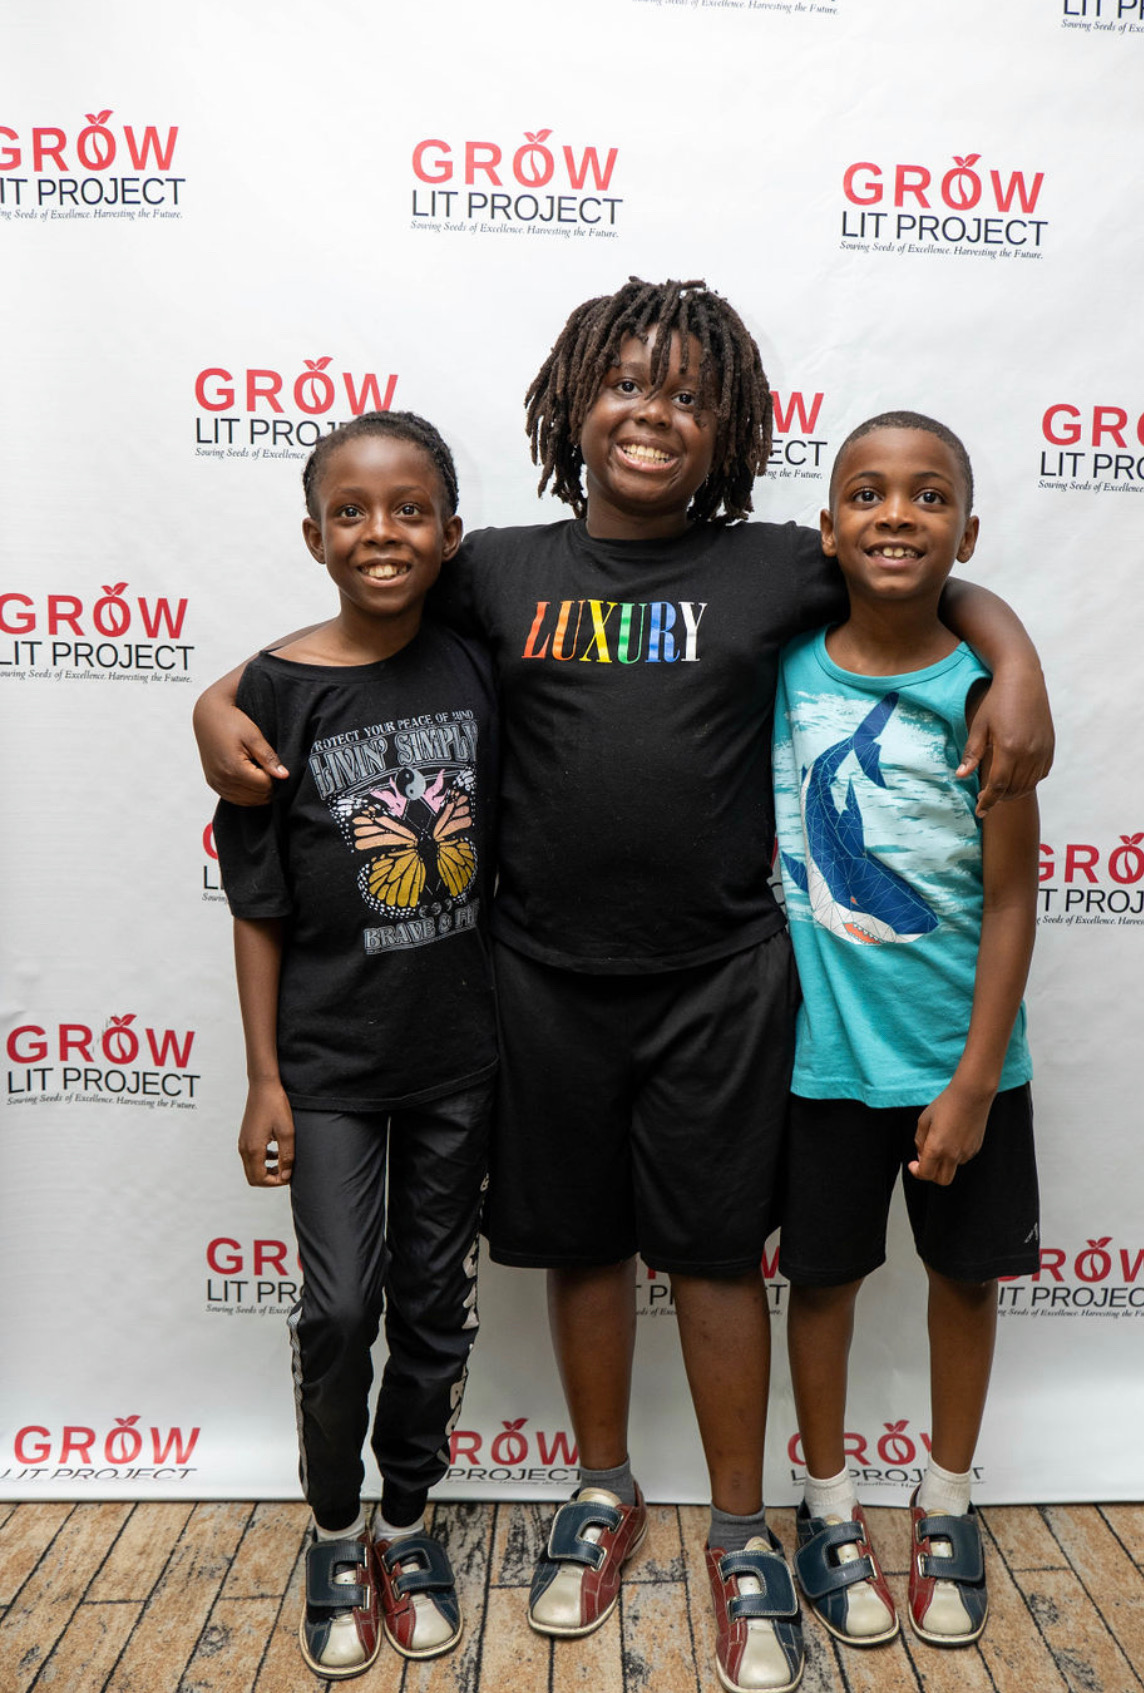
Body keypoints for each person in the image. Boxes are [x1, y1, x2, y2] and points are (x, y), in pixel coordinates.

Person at [196, 281, 1052, 1693]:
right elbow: (333, 638)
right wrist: (212, 701)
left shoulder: (773, 565)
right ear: (574, 405)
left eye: (691, 393)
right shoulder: (494, 569)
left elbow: (929, 578)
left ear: (732, 430)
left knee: (716, 1255)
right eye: (627, 383)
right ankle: (602, 1486)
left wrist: (1014, 663)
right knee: (582, 1245)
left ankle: (740, 1529)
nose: (655, 411)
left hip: (721, 981)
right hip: (537, 979)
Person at [212, 411, 498, 1680]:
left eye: (409, 510)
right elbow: (258, 904)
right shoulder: (273, 694)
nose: (382, 532)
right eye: (352, 512)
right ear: (314, 534)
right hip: (326, 1064)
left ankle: (407, 1521)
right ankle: (336, 1527)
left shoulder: (478, 659)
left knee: (434, 1301)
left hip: (460, 1058)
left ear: (449, 531)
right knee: (339, 1308)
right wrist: (264, 1078)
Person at [773, 412, 1039, 1653]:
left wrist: (976, 1078)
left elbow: (1010, 895)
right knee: (822, 1281)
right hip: (825, 1063)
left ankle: (947, 1494)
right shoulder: (782, 671)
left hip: (963, 1063)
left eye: (928, 496)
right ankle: (827, 1500)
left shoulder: (986, 699)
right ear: (827, 529)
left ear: (967, 533)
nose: (895, 513)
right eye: (866, 493)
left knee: (964, 1278)